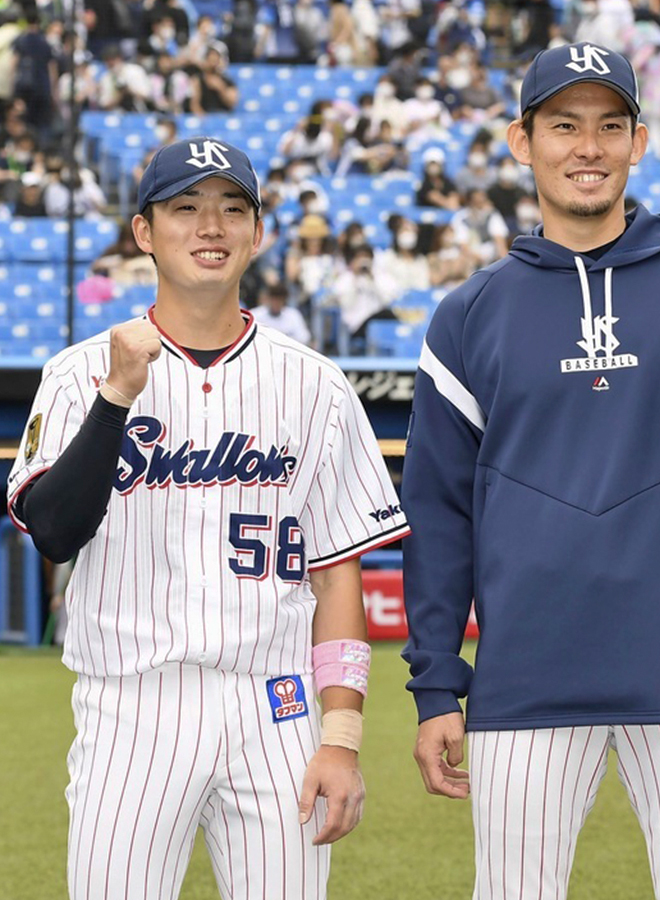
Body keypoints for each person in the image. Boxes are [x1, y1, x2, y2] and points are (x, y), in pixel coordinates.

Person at [401, 42, 660, 900]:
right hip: (528, 670)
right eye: (563, 125)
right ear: (522, 141)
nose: (586, 147)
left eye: (608, 125)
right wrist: (437, 680)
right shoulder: (469, 312)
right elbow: (440, 511)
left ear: (637, 141)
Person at [6, 137, 408, 900]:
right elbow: (55, 531)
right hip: (132, 702)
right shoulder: (75, 374)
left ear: (258, 233)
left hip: (275, 704)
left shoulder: (316, 385)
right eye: (184, 208)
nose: (210, 226)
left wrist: (342, 737)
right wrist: (117, 397)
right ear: (144, 233)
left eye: (232, 208)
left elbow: (337, 575)